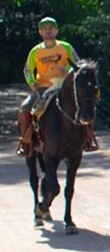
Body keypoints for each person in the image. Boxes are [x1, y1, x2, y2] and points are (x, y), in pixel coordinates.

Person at [17, 16, 99, 157]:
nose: (48, 31)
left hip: (64, 86)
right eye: (45, 29)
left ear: (56, 31)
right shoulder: (35, 51)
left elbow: (79, 66)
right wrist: (32, 84)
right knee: (25, 107)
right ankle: (26, 142)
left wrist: (67, 71)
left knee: (86, 103)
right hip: (44, 87)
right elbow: (27, 70)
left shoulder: (66, 47)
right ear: (40, 32)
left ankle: (89, 137)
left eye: (51, 28)